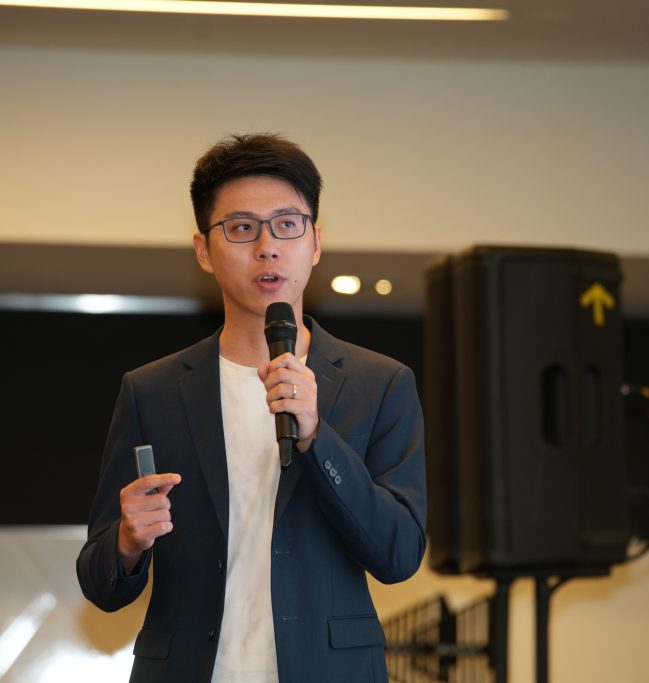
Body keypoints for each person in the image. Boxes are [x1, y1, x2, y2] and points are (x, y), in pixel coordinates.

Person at [77, 133, 427, 683]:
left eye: (287, 224)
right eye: (241, 228)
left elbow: (399, 555)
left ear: (316, 242)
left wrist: (317, 438)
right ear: (203, 250)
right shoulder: (152, 390)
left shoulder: (380, 384)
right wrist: (126, 543)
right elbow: (101, 583)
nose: (267, 247)